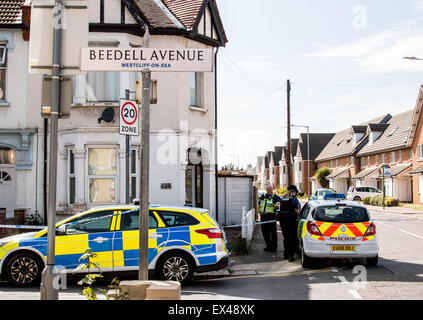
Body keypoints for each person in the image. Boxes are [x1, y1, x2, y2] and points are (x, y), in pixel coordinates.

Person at [278, 185, 301, 262]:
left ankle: (285, 254)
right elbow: (297, 211)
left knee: (286, 238)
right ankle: (291, 256)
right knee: (292, 238)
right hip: (291, 221)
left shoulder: (283, 198)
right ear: (293, 191)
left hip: (282, 221)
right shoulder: (294, 199)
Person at [258, 185, 281, 253]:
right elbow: (259, 203)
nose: (270, 191)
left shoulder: (275, 197)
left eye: (271, 189)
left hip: (271, 216)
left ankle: (274, 248)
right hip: (264, 217)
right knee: (265, 232)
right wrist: (260, 211)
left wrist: (278, 203)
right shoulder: (263, 196)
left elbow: (280, 200)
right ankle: (268, 246)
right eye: (269, 189)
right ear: (266, 190)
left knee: (273, 233)